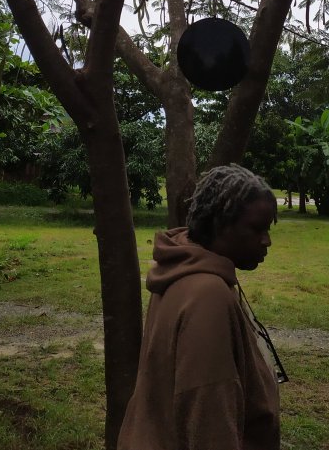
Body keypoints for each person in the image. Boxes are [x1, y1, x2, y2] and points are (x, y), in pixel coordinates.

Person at [117, 164, 285, 450]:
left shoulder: (180, 269)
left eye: (268, 228)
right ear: (220, 224)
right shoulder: (207, 295)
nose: (266, 240)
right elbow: (208, 413)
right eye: (256, 228)